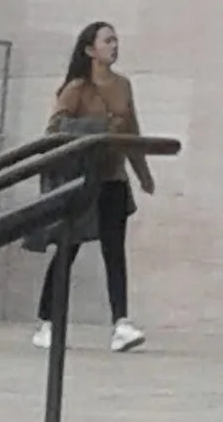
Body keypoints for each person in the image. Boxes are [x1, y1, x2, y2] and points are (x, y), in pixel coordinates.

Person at [29, 19, 153, 352]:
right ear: (89, 49)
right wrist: (98, 127)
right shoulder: (76, 88)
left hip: (113, 179)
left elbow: (132, 130)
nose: (114, 46)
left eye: (116, 40)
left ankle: (121, 322)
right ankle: (47, 320)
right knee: (68, 249)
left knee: (114, 250)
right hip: (82, 180)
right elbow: (55, 130)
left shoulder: (123, 85)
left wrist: (142, 173)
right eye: (107, 40)